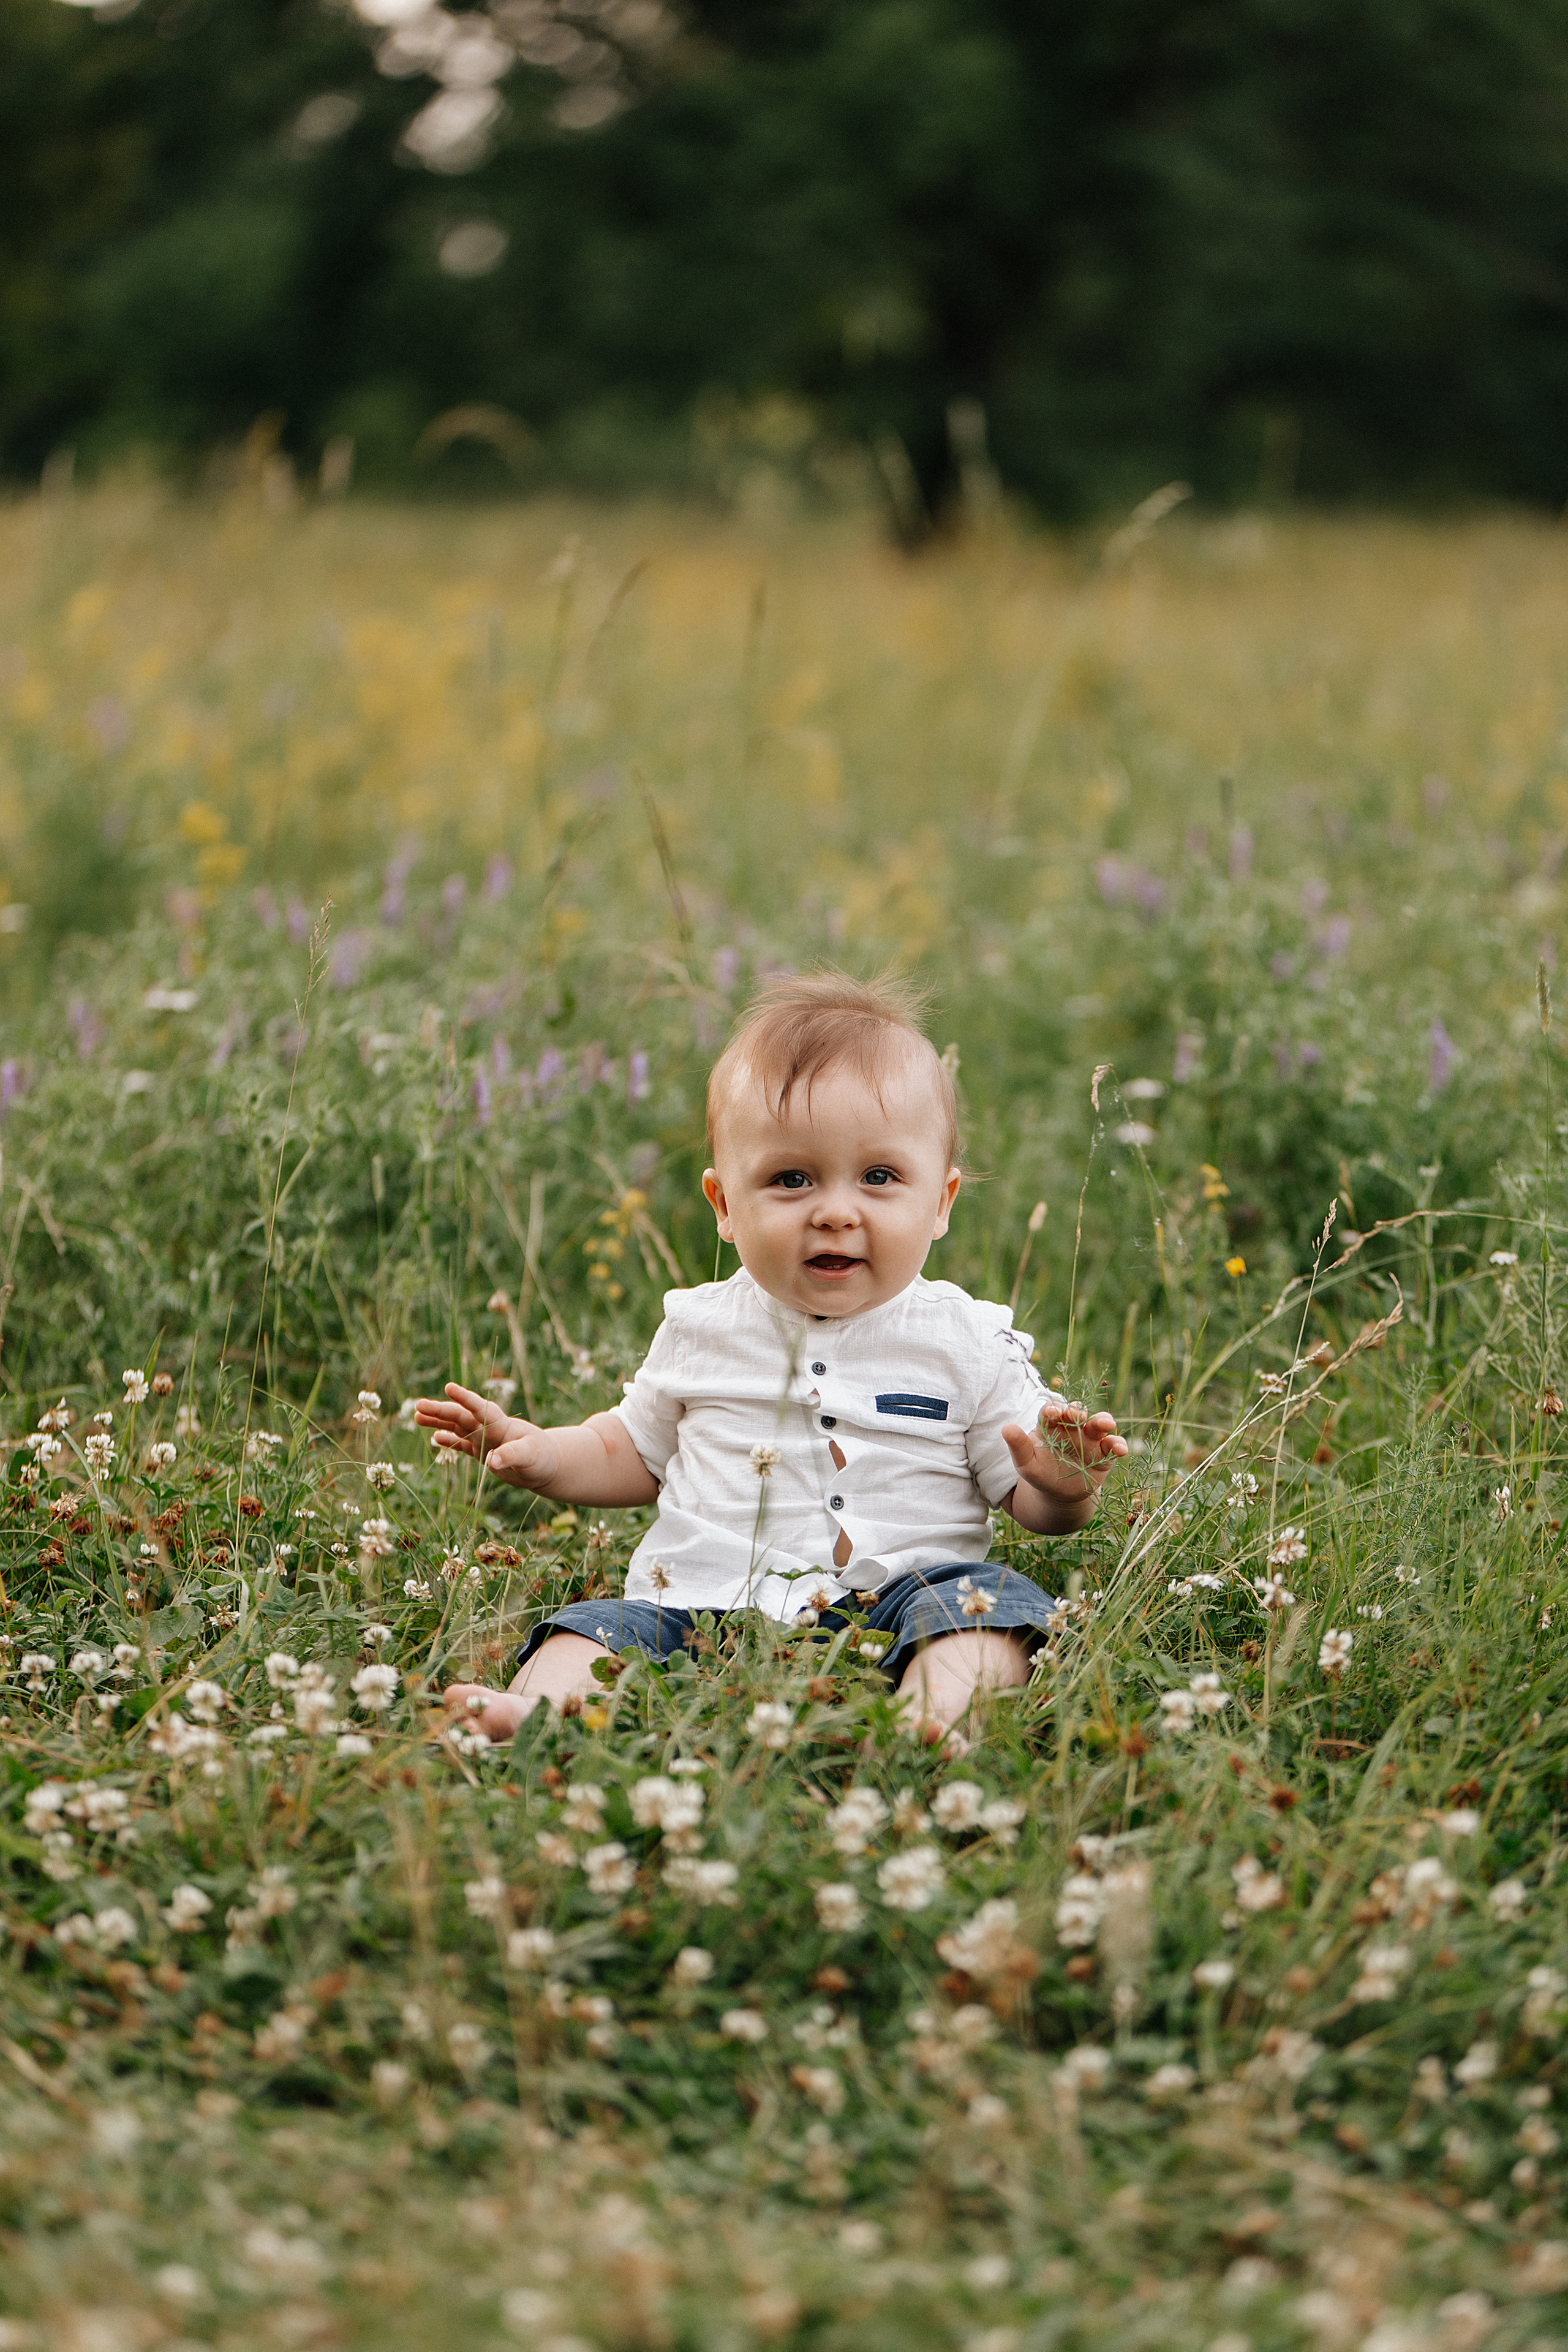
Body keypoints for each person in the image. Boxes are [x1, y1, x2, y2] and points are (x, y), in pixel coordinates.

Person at [421, 970, 1125, 1745]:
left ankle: (931, 1716)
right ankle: (543, 1717)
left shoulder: (969, 1339)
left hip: (900, 1605)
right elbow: (629, 1450)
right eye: (791, 1179)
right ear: (724, 1206)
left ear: (941, 1203)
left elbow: (1026, 1500)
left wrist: (1062, 1488)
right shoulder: (699, 1327)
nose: (834, 1210)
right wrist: (540, 1452)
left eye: (880, 1177)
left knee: (987, 1610)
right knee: (593, 1631)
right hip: (702, 1607)